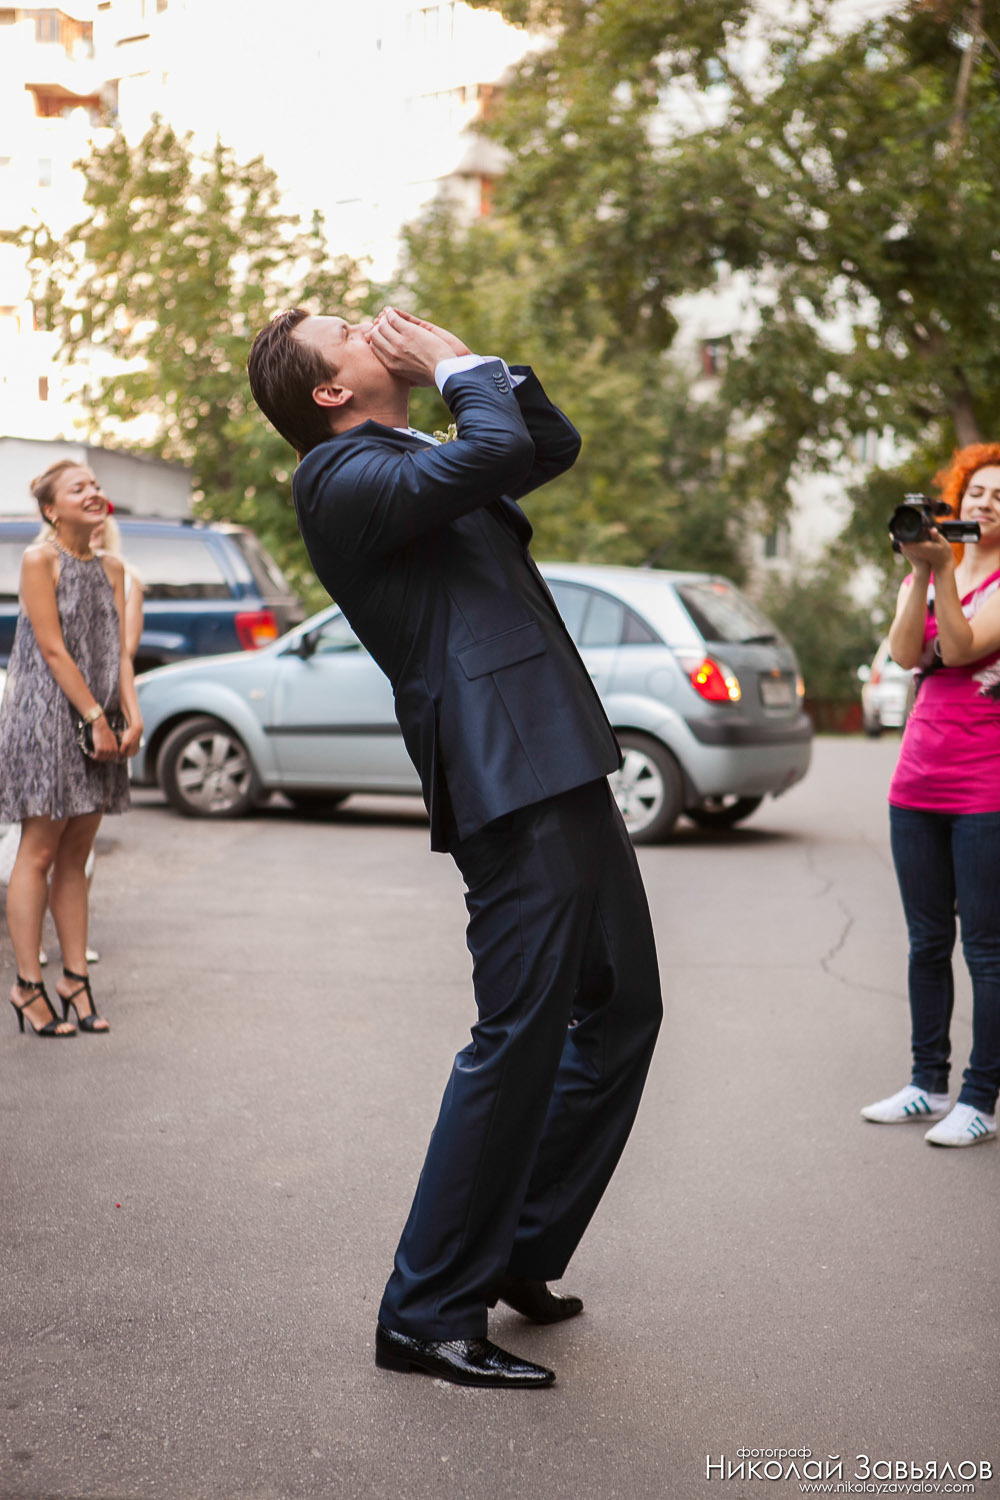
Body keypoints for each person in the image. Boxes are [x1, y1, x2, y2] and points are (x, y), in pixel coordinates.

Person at [247, 305, 662, 1388]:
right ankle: (424, 1312)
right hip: (505, 772)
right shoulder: (338, 480)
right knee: (518, 1032)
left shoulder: (410, 456)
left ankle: (514, 1247)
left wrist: (478, 369)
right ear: (329, 392)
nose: (373, 321)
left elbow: (545, 446)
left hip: (552, 755)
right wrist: (457, 369)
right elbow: (496, 444)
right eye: (347, 327)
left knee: (619, 1011)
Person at [862, 443, 1000, 1146]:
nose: (985, 503)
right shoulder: (933, 556)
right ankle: (927, 1084)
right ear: (958, 495)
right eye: (977, 490)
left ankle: (979, 1098)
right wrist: (921, 571)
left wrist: (944, 572)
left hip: (987, 783)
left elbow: (967, 645)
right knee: (924, 943)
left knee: (985, 948)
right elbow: (908, 654)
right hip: (916, 779)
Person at [0, 461, 142, 1038]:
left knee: (77, 856)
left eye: (95, 485)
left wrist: (130, 713)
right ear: (51, 510)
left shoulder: (112, 566)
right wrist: (94, 717)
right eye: (78, 488)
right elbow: (54, 652)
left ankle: (75, 978)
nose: (94, 493)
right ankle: (28, 984)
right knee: (37, 852)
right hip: (47, 720)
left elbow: (118, 654)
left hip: (97, 719)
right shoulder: (41, 560)